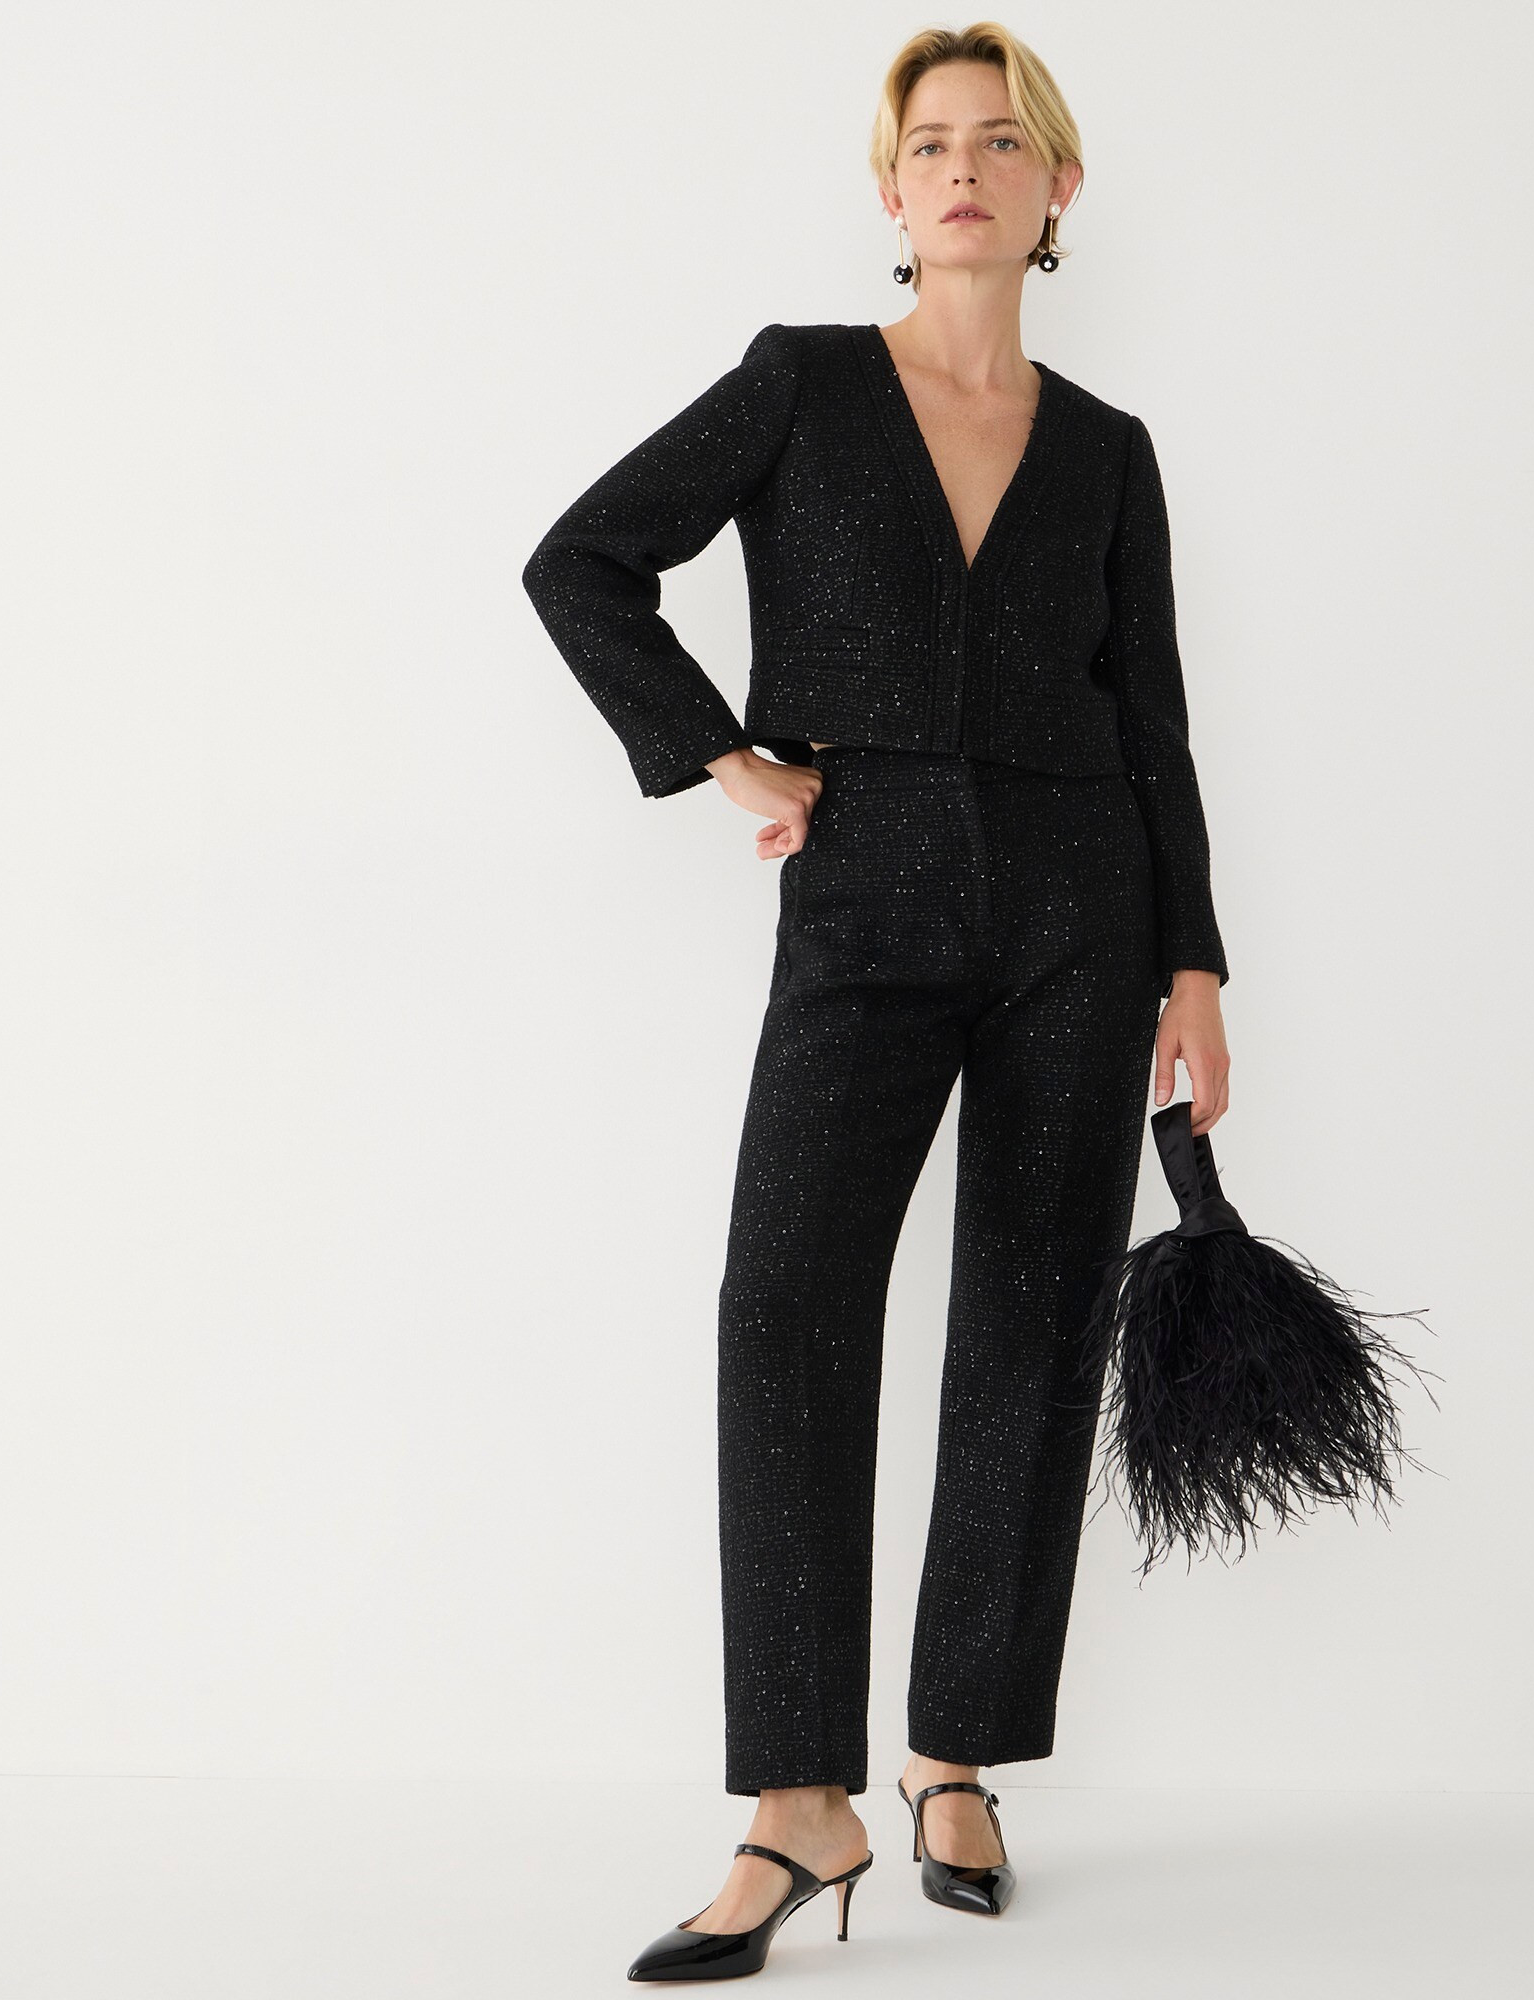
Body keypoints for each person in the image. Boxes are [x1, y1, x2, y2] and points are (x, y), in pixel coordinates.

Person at [521, 23, 1231, 1981]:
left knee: (1030, 1322)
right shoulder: (805, 385)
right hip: (866, 901)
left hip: (1085, 915)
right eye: (930, 145)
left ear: (1058, 188)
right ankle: (796, 1804)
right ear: (889, 187)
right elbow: (583, 562)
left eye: (1002, 143)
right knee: (786, 1307)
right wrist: (721, 756)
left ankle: (953, 1757)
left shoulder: (1107, 450)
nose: (964, 170)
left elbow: (1153, 724)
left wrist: (1194, 962)